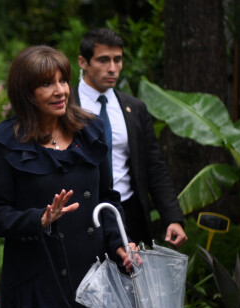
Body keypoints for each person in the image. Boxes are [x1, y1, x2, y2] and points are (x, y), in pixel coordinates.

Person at [0, 45, 136, 308]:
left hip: (94, 276)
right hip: (40, 279)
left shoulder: (90, 131)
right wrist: (38, 219)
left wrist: (119, 244)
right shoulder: (5, 141)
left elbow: (107, 200)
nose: (60, 90)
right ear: (26, 92)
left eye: (63, 80)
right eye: (47, 84)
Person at [75, 28, 188, 249]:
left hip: (128, 213)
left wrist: (172, 217)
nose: (112, 68)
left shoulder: (134, 108)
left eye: (118, 60)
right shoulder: (66, 106)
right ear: (83, 62)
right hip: (82, 216)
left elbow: (154, 165)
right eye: (103, 60)